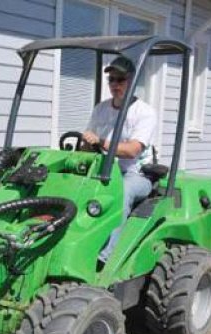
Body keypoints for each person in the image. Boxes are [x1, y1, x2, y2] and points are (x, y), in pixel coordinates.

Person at [82, 56, 157, 263]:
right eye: (111, 80)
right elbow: (89, 143)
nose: (115, 84)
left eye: (120, 79)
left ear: (132, 81)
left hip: (136, 174)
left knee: (121, 191)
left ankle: (105, 258)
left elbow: (132, 150)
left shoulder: (145, 112)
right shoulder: (101, 109)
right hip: (105, 169)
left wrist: (99, 141)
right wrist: (87, 144)